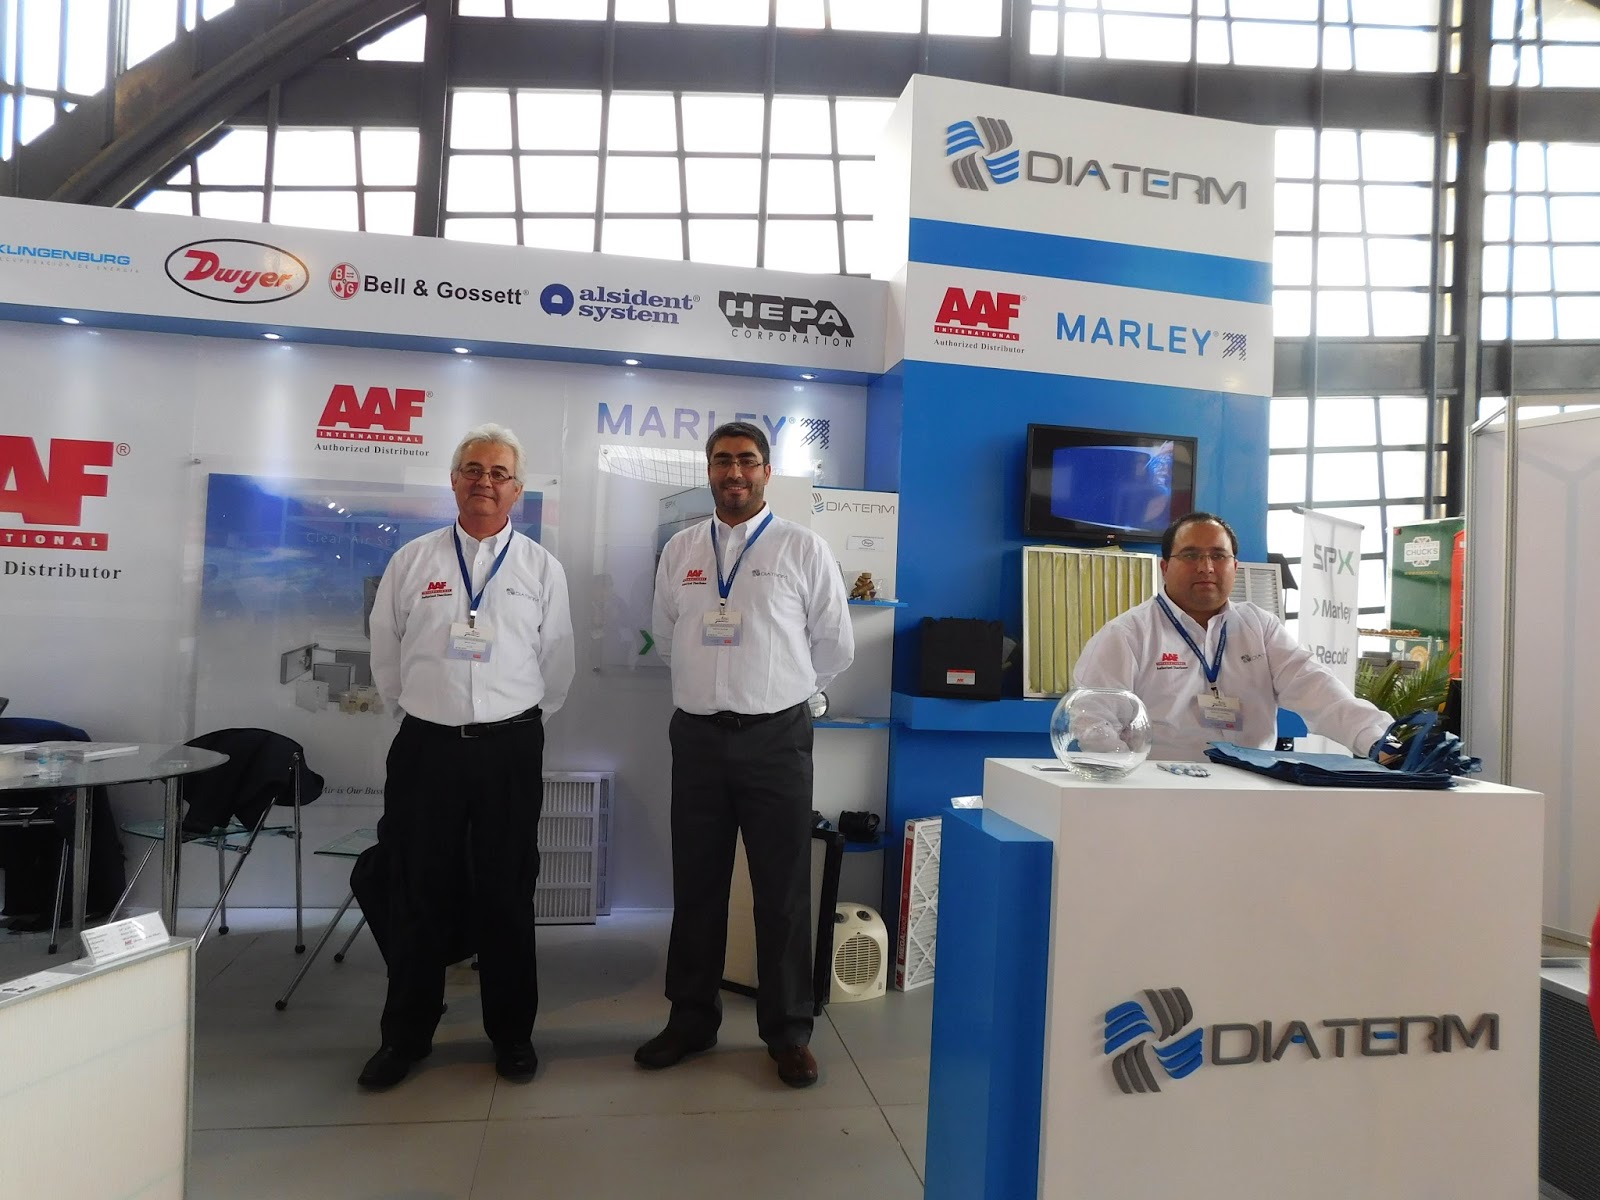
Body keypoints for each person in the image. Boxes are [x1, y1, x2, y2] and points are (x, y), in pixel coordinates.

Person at [637, 420, 854, 1088]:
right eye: (723, 460)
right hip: (699, 737)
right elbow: (665, 635)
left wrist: (780, 689)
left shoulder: (803, 547)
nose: (735, 472)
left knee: (781, 890)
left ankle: (788, 1032)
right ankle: (691, 1020)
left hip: (776, 738)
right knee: (697, 885)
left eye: (748, 460)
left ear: (766, 471)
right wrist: (716, 685)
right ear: (709, 470)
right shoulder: (680, 550)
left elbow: (834, 645)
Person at [358, 422, 574, 1089]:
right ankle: (406, 1037)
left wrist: (511, 721)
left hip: (510, 749)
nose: (485, 482)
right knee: (416, 890)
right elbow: (386, 654)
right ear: (454, 480)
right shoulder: (413, 560)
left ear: (517, 490)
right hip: (427, 748)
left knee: (508, 891)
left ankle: (512, 1035)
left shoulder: (540, 568)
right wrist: (427, 713)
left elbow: (557, 664)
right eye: (474, 470)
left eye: (499, 473)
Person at [1073, 511, 1390, 763]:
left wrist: (1378, 741)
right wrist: (1129, 777)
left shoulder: (1260, 628)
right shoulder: (1127, 635)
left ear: (1235, 566)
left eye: (1218, 555)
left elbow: (1320, 691)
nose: (1206, 567)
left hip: (1249, 793)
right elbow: (1093, 720)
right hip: (1161, 792)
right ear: (1165, 567)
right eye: (1191, 555)